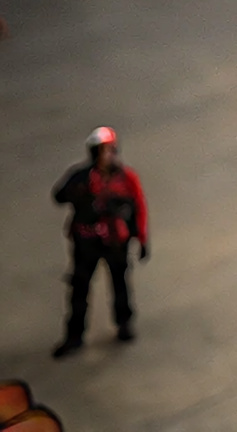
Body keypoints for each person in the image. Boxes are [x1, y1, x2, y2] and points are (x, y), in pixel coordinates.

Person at [51, 127, 148, 358]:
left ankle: (124, 323)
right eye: (104, 151)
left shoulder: (126, 178)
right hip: (86, 243)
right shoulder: (81, 177)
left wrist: (142, 238)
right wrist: (79, 194)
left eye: (111, 150)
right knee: (80, 289)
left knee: (120, 284)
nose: (109, 155)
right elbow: (59, 196)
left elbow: (138, 208)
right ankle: (74, 336)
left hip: (115, 242)